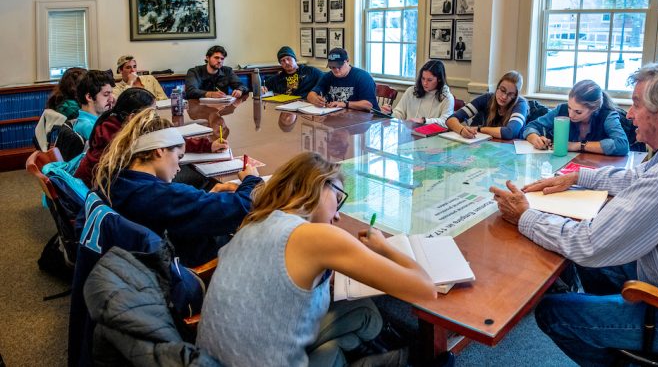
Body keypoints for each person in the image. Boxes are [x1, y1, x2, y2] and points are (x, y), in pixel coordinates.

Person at [489, 63, 658, 365]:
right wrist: (578, 176)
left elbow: (589, 243)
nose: (629, 114)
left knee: (553, 311)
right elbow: (637, 179)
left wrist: (524, 216)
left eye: (637, 104)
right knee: (590, 265)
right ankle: (615, 328)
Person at [197, 152, 437, 366]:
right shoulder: (317, 237)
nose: (338, 216)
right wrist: (384, 247)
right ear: (319, 184)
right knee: (364, 314)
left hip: (208, 358)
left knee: (356, 318)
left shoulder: (253, 222)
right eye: (339, 198)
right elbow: (425, 290)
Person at [92, 108, 262, 267]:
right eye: (178, 157)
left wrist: (204, 197)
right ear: (159, 150)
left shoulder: (114, 179)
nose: (179, 167)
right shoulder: (160, 195)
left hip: (139, 263)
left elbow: (171, 211)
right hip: (187, 267)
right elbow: (242, 207)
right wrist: (251, 179)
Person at [75, 88, 229, 188]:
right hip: (106, 196)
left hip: (109, 194)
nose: (154, 117)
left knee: (188, 173)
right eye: (151, 113)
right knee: (194, 178)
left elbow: (167, 139)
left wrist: (208, 146)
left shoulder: (122, 124)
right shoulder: (114, 140)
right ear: (133, 117)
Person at [522, 79, 629, 156]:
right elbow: (531, 126)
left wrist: (578, 146)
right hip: (563, 166)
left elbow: (622, 145)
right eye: (569, 107)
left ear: (594, 109)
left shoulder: (608, 116)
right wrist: (535, 138)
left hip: (597, 168)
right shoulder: (561, 110)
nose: (571, 115)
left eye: (578, 112)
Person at [445, 71, 528, 140]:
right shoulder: (487, 98)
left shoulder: (520, 104)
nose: (504, 97)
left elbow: (510, 133)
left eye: (510, 94)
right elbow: (450, 120)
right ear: (497, 87)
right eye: (502, 90)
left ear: (516, 96)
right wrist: (462, 130)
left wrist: (479, 129)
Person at [384, 60, 454, 126]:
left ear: (439, 79)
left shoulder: (447, 97)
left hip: (431, 136)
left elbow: (446, 122)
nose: (424, 83)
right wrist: (390, 113)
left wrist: (423, 120)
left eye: (429, 80)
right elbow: (400, 113)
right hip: (409, 132)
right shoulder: (411, 91)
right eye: (423, 78)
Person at [307, 48, 378, 111]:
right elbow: (310, 95)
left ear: (347, 61)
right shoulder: (328, 76)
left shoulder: (363, 77)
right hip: (335, 117)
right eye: (333, 67)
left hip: (361, 120)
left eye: (339, 66)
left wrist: (345, 104)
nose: (336, 70)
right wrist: (315, 99)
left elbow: (369, 105)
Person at [74, 70, 116, 140]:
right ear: (89, 97)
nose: (111, 99)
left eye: (111, 94)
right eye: (106, 94)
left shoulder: (97, 120)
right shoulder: (88, 126)